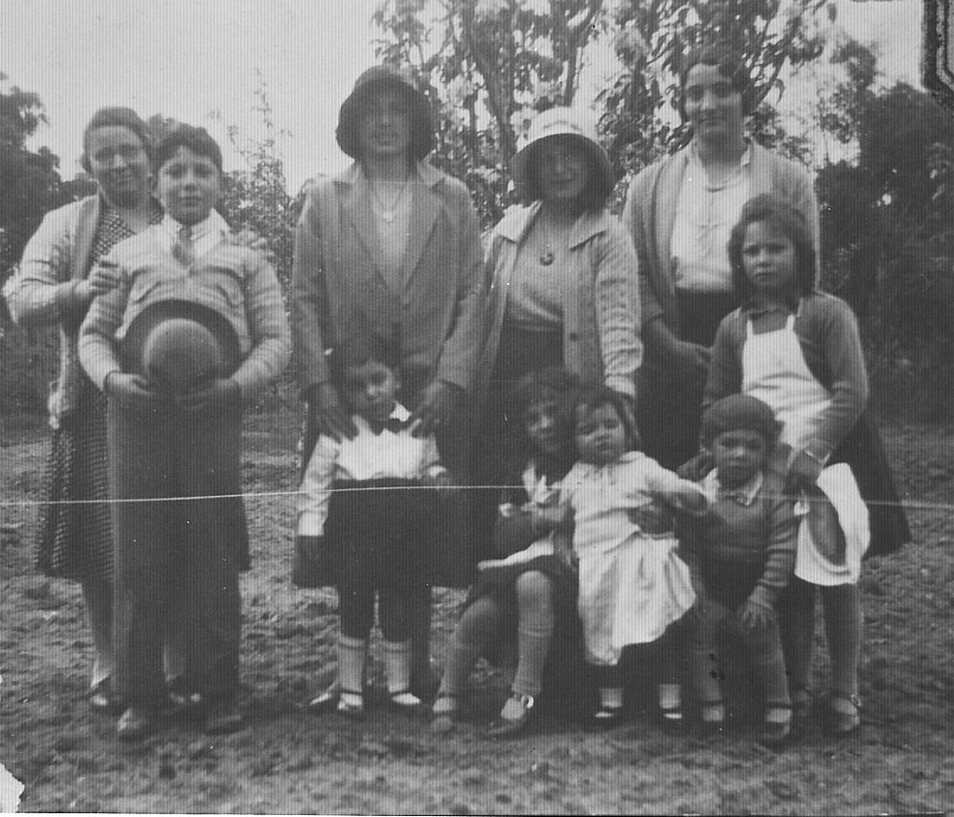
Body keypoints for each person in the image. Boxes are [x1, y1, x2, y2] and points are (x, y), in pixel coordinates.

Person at [78, 125, 290, 740]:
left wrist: (237, 388)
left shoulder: (247, 259)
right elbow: (94, 334)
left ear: (220, 182)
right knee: (138, 555)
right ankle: (141, 696)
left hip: (211, 416)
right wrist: (113, 382)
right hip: (136, 418)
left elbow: (278, 340)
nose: (188, 181)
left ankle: (218, 691)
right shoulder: (126, 254)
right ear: (156, 182)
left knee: (212, 551)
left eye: (202, 170)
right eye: (175, 171)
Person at [291, 64, 486, 703]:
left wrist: (453, 379)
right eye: (370, 110)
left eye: (397, 110)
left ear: (416, 122)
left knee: (415, 524)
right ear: (352, 123)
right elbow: (304, 298)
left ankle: (415, 669)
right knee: (350, 525)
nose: (383, 122)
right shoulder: (325, 198)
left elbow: (471, 296)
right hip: (353, 390)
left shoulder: (451, 196)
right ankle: (349, 670)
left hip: (426, 389)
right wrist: (320, 385)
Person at [704, 193, 909, 736]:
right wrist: (744, 453)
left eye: (776, 248)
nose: (763, 260)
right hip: (765, 466)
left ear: (801, 253)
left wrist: (814, 451)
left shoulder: (825, 313)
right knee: (785, 577)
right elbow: (716, 403)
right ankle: (792, 686)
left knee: (836, 575)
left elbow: (852, 390)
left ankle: (844, 687)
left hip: (823, 464)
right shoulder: (733, 327)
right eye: (751, 252)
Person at [3, 107, 166, 715]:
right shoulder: (68, 223)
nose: (120, 163)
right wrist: (79, 291)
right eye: (106, 155)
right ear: (87, 164)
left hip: (170, 402)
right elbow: (21, 299)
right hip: (95, 405)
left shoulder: (177, 209)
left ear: (150, 154)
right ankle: (111, 663)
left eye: (130, 150)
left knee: (169, 533)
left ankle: (171, 664)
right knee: (102, 542)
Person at [622, 46, 820, 469]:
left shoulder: (788, 180)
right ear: (684, 104)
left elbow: (805, 273)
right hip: (674, 349)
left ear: (745, 97)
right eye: (695, 95)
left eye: (723, 91)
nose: (707, 105)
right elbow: (631, 274)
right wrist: (667, 345)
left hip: (761, 341)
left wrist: (753, 342)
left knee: (756, 475)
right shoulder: (648, 186)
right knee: (674, 476)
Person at [475, 105, 641, 488]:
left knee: (563, 479)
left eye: (570, 157)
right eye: (547, 160)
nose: (560, 169)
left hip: (568, 372)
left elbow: (619, 323)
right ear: (533, 171)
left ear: (590, 165)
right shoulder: (510, 228)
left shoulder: (608, 235)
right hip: (507, 372)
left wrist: (619, 395)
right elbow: (480, 302)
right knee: (503, 478)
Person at [294, 335, 454, 718]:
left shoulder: (418, 428)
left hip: (403, 536)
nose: (370, 392)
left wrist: (439, 476)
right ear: (343, 392)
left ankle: (399, 688)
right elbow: (315, 484)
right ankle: (351, 690)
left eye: (378, 380)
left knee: (398, 608)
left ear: (396, 379)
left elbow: (429, 466)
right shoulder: (338, 433)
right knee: (354, 608)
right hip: (354, 535)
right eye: (356, 386)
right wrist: (310, 528)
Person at [430, 367, 582, 739]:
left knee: (532, 584)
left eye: (553, 413)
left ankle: (523, 694)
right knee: (481, 611)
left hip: (572, 573)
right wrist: (538, 521)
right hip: (524, 563)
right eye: (534, 419)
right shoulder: (525, 473)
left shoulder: (589, 465)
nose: (545, 425)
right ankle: (450, 690)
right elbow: (502, 536)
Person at [545, 384, 706, 728]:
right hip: (597, 567)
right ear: (574, 439)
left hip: (638, 560)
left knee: (658, 630)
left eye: (609, 425)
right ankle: (611, 701)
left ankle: (670, 701)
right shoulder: (575, 477)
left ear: (627, 429)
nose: (601, 435)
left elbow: (671, 486)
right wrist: (562, 546)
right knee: (600, 628)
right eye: (588, 430)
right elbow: (563, 521)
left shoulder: (640, 466)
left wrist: (688, 496)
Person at [681, 394, 799, 747]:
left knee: (764, 639)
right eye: (728, 444)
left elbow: (782, 549)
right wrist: (696, 588)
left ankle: (779, 706)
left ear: (766, 450)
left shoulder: (773, 496)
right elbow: (687, 545)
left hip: (753, 583)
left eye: (752, 446)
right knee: (700, 637)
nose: (739, 454)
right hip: (711, 583)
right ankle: (711, 707)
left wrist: (763, 596)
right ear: (709, 447)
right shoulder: (698, 490)